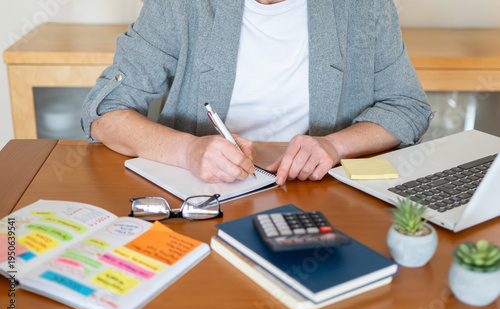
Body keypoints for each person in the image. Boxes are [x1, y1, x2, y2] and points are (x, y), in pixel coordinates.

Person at [82, 0, 432, 186]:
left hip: (320, 189)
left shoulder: (364, 7)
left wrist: (334, 145)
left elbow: (407, 107)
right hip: (205, 190)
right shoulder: (179, 5)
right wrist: (189, 150)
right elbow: (105, 113)